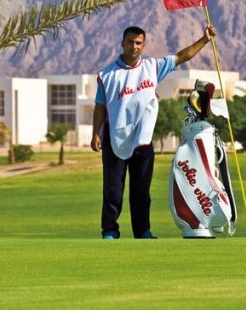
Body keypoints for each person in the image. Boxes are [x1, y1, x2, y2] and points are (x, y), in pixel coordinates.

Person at [91, 24, 216, 239]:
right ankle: (110, 230)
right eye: (130, 42)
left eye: (138, 43)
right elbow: (100, 106)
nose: (134, 46)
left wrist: (204, 39)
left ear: (143, 45)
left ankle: (142, 231)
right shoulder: (107, 75)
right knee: (112, 190)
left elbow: (182, 56)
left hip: (143, 139)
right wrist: (96, 133)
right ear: (122, 43)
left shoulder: (153, 67)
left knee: (141, 190)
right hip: (115, 138)